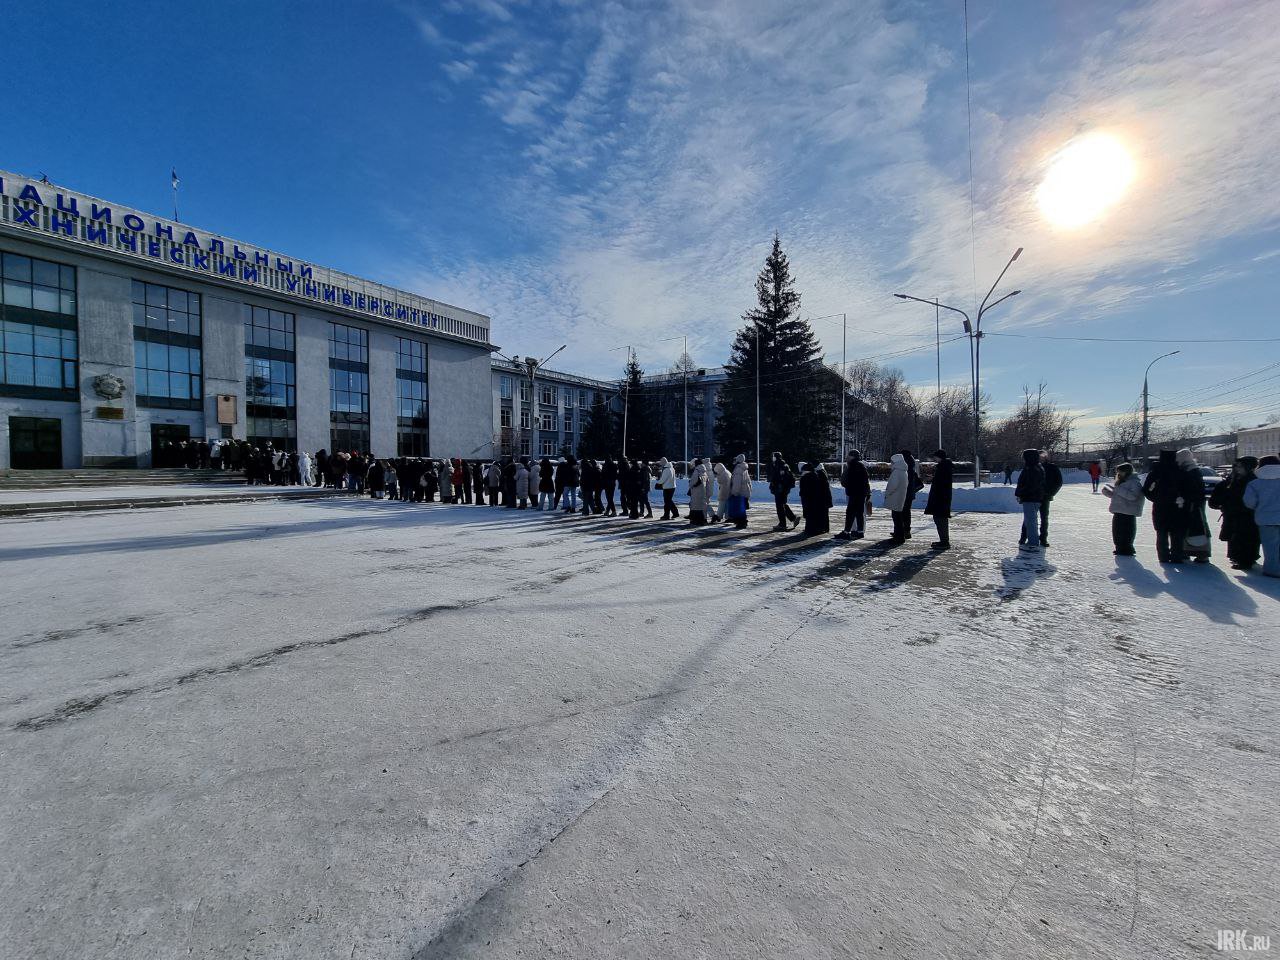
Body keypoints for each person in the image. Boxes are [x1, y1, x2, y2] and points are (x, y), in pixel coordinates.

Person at [1142, 449, 1197, 563]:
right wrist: (1182, 499)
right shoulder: (1181, 472)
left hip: (1160, 507)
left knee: (1161, 533)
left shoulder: (1156, 472)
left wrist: (1156, 498)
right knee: (1177, 533)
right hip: (1178, 507)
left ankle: (1163, 557)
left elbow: (1146, 490)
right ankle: (1177, 556)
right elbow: (1190, 490)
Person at [1209, 457, 1261, 570]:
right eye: (1236, 466)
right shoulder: (1234, 479)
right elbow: (1224, 492)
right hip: (1234, 514)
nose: (1237, 469)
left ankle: (1245, 560)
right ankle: (1239, 557)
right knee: (1235, 537)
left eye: (1239, 466)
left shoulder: (1251, 481)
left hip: (1246, 515)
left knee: (1245, 538)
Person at [1243, 455, 1280, 578]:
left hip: (1265, 519)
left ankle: (1273, 569)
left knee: (1270, 546)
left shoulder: (1254, 483)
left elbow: (1249, 502)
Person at [1175, 448, 1212, 563]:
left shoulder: (1191, 471)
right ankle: (1191, 551)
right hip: (1192, 503)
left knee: (1197, 528)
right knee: (1193, 527)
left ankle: (1201, 553)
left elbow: (1193, 489)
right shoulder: (1190, 469)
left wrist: (1185, 498)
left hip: (1193, 504)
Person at [1020, 450, 1062, 547]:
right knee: (1028, 518)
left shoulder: (1052, 467)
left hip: (1045, 497)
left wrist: (1051, 493)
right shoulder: (1031, 467)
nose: (1040, 459)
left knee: (1044, 518)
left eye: (1042, 457)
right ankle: (1023, 536)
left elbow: (1058, 482)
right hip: (1033, 496)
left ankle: (1043, 538)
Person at [1102, 462, 1144, 556]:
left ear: (1126, 472)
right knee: (1117, 531)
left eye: (1120, 472)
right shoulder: (1121, 481)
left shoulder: (1134, 482)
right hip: (1118, 510)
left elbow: (1133, 496)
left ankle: (1127, 548)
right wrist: (1108, 493)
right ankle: (1119, 547)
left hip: (1128, 512)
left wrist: (1117, 490)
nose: (1118, 474)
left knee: (1127, 532)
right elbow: (1119, 496)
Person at [1014, 448, 1046, 551]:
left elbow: (1031, 485)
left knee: (1031, 521)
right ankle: (1030, 540)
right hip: (1033, 497)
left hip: (1031, 498)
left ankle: (1033, 543)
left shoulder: (1032, 469)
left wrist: (1021, 492)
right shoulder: (1034, 467)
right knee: (1029, 520)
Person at [836, 450, 871, 540]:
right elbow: (865, 481)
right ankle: (860, 532)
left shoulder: (853, 466)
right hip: (861, 493)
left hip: (854, 493)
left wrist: (846, 485)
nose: (847, 457)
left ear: (853, 456)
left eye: (849, 455)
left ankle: (846, 532)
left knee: (850, 513)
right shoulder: (861, 466)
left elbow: (850, 481)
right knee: (859, 513)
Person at [924, 449, 954, 550]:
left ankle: (944, 541)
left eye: (935, 457)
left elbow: (942, 483)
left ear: (939, 457)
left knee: (940, 519)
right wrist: (933, 479)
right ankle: (944, 540)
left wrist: (933, 479)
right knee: (940, 519)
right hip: (942, 497)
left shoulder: (943, 467)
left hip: (941, 498)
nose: (934, 459)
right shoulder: (944, 467)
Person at [798, 461, 832, 537]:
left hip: (813, 499)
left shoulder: (810, 476)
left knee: (812, 514)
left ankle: (812, 529)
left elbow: (807, 489)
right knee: (820, 514)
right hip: (819, 498)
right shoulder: (817, 474)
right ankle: (819, 528)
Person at [767, 452, 799, 532]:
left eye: (773, 456)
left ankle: (782, 524)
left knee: (780, 506)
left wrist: (779, 486)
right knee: (782, 505)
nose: (772, 458)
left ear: (776, 457)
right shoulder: (779, 464)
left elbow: (782, 478)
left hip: (781, 489)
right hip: (781, 489)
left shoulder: (780, 465)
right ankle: (793, 518)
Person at [884, 453, 912, 544]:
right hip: (900, 496)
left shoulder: (897, 471)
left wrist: (887, 493)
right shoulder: (903, 470)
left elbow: (893, 485)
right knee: (898, 517)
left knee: (896, 518)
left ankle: (899, 537)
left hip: (895, 496)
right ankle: (899, 535)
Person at [727, 453, 751, 529]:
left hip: (740, 492)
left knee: (739, 509)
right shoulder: (744, 468)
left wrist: (734, 492)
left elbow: (737, 482)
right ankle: (742, 522)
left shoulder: (738, 469)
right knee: (742, 509)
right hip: (744, 491)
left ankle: (741, 523)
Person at [687, 457, 710, 526]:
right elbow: (707, 481)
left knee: (695, 506)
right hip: (702, 490)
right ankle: (702, 520)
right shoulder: (704, 471)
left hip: (696, 491)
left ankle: (695, 520)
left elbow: (693, 481)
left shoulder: (697, 470)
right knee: (701, 506)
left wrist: (690, 485)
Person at [713, 457, 732, 523]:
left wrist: (717, 476)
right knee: (727, 505)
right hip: (729, 490)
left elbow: (719, 481)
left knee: (721, 505)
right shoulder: (727, 472)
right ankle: (728, 517)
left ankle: (719, 516)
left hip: (724, 491)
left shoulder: (722, 474)